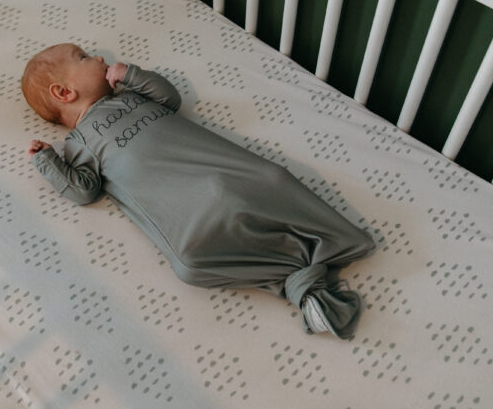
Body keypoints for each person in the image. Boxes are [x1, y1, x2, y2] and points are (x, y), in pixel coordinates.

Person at [22, 43, 376, 340]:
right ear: (64, 93)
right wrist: (48, 162)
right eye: (84, 57)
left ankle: (328, 241)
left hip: (213, 165)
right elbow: (84, 190)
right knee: (189, 265)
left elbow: (169, 98)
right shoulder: (77, 145)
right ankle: (295, 282)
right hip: (179, 206)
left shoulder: (131, 96)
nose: (99, 58)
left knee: (272, 179)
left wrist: (131, 74)